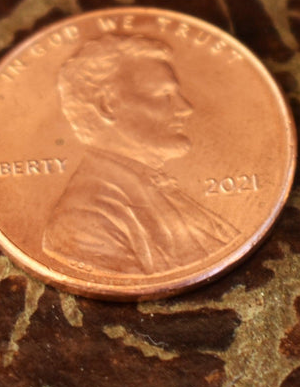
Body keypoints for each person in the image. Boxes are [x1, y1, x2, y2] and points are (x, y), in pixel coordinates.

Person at [42, 34, 237, 275]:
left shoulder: (150, 188)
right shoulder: (84, 219)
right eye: (162, 95)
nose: (185, 108)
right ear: (107, 105)